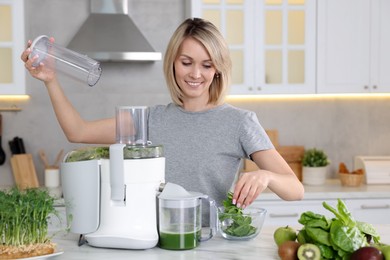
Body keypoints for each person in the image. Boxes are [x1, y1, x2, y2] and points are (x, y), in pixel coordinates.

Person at [21, 18, 304, 212]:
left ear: (218, 69)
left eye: (207, 65)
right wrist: (50, 80)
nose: (196, 74)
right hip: (155, 244)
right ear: (173, 63)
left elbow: (295, 189)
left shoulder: (240, 122)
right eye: (187, 62)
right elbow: (78, 132)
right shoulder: (149, 121)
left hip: (210, 247)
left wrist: (266, 176)